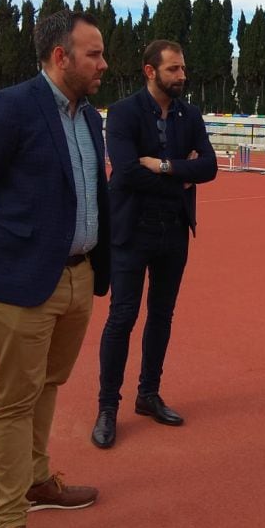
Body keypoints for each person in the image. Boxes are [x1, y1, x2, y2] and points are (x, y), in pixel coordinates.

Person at [0, 8, 111, 528]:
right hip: (18, 284)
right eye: (93, 53)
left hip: (77, 278)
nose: (103, 63)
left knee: (48, 384)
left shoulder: (90, 119)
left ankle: (39, 479)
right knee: (12, 402)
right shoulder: (10, 108)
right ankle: (11, 525)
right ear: (60, 56)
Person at [91, 40, 217, 449]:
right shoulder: (125, 113)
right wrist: (180, 179)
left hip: (173, 231)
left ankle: (148, 394)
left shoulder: (190, 115)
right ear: (150, 71)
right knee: (122, 317)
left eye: (183, 69)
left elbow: (210, 166)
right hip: (130, 230)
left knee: (162, 315)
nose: (182, 76)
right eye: (174, 70)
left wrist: (165, 166)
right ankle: (107, 407)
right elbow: (126, 173)